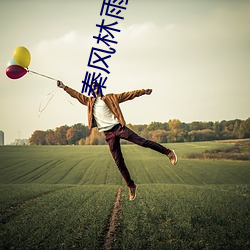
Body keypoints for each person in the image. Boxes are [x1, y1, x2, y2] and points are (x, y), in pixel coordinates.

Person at [57, 80, 177, 201]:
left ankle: (168, 152)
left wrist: (143, 92)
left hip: (119, 128)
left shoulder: (111, 97)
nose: (93, 89)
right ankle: (131, 186)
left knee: (142, 142)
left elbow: (128, 94)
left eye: (95, 87)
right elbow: (76, 94)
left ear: (99, 88)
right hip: (108, 134)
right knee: (118, 161)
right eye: (91, 88)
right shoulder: (89, 102)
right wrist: (64, 87)